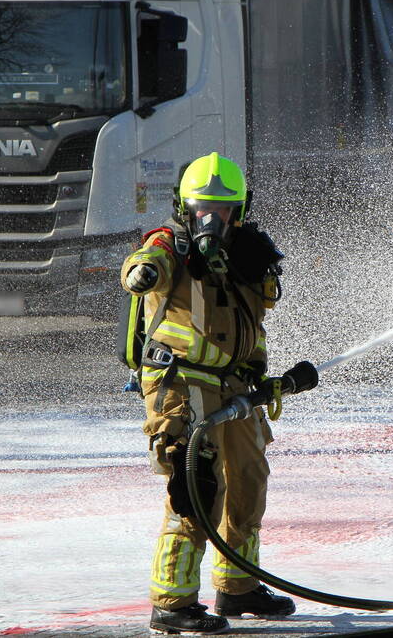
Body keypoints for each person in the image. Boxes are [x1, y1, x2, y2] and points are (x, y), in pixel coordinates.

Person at [121, 152, 296, 635]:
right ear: (183, 206)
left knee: (247, 478)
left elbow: (252, 326)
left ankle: (238, 587)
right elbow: (143, 262)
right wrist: (143, 272)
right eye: (201, 208)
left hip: (236, 383)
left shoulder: (249, 254)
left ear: (238, 210)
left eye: (222, 210)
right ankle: (172, 603)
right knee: (194, 486)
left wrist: (259, 376)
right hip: (181, 381)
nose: (210, 219)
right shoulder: (170, 243)